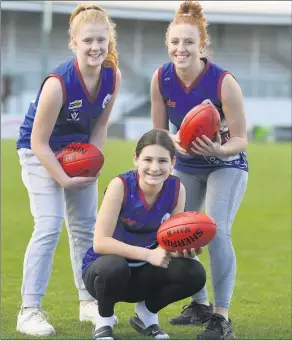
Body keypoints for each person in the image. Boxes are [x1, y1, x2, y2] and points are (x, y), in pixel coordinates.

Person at [15, 3, 121, 337]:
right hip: (40, 153)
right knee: (48, 225)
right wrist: (62, 178)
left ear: (109, 40)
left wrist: (94, 164)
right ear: (73, 43)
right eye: (87, 40)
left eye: (101, 40)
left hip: (78, 154)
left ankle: (88, 301)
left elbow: (100, 125)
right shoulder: (58, 83)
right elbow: (37, 141)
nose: (95, 47)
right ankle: (29, 310)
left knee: (86, 229)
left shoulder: (111, 75)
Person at [151, 1, 248, 340]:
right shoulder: (161, 78)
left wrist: (219, 148)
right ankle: (199, 304)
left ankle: (221, 317)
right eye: (175, 42)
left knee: (217, 231)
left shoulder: (224, 82)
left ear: (202, 46)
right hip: (187, 164)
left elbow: (240, 138)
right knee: (178, 231)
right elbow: (158, 133)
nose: (181, 49)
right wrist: (172, 140)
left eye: (189, 42)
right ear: (168, 43)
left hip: (227, 163)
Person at [82, 128, 207, 340]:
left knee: (194, 273)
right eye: (147, 159)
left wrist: (185, 248)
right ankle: (104, 320)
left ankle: (147, 315)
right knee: (113, 265)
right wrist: (149, 254)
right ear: (135, 159)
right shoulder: (120, 186)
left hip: (145, 274)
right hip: (105, 275)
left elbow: (171, 243)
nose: (154, 168)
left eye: (162, 161)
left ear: (173, 162)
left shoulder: (177, 189)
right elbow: (100, 243)